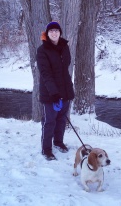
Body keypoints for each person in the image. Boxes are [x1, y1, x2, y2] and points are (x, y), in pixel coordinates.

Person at [36, 21, 75, 160]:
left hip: (65, 91)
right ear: (47, 33)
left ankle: (58, 142)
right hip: (50, 93)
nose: (54, 33)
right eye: (51, 31)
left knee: (61, 120)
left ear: (60, 32)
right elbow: (46, 74)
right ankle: (46, 149)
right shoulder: (42, 50)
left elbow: (65, 70)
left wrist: (69, 90)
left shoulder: (64, 47)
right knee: (49, 121)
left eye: (56, 31)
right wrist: (54, 93)